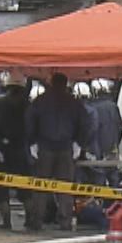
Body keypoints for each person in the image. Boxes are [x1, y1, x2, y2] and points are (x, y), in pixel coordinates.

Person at [25, 72, 91, 230]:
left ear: (51, 83)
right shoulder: (73, 102)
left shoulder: (40, 101)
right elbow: (85, 123)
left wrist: (32, 142)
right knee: (65, 188)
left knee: (41, 186)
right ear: (65, 83)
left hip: (45, 147)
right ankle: (65, 220)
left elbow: (29, 121)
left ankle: (37, 220)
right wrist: (79, 143)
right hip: (66, 148)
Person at [0, 79, 32, 229]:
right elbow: (31, 126)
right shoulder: (27, 105)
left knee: (2, 189)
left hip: (2, 151)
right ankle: (31, 219)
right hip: (21, 150)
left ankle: (6, 221)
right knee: (26, 188)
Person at [85, 79, 122, 186]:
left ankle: (100, 201)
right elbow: (120, 128)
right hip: (112, 147)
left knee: (98, 179)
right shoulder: (113, 106)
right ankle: (115, 201)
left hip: (96, 149)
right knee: (113, 177)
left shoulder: (90, 108)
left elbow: (89, 131)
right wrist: (115, 143)